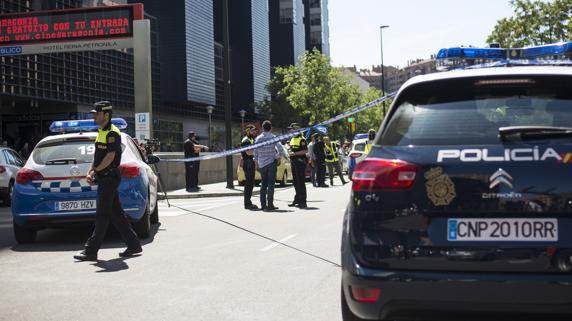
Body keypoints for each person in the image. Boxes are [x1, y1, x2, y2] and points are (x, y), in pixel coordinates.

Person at [74, 101, 142, 261]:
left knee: (102, 215)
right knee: (117, 215)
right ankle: (133, 245)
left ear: (106, 115)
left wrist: (96, 171)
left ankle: (90, 251)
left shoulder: (112, 132)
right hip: (105, 177)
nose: (94, 116)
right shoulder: (102, 131)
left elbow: (110, 156)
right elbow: (97, 156)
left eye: (96, 113)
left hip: (109, 178)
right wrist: (91, 170)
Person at [254, 121, 288, 211]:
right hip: (271, 163)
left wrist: (256, 164)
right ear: (271, 128)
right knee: (271, 184)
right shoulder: (273, 138)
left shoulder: (258, 139)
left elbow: (255, 153)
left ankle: (263, 205)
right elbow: (280, 148)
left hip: (262, 164)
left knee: (263, 184)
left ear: (262, 128)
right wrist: (278, 157)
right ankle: (270, 205)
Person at [288, 123, 309, 208]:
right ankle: (297, 199)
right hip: (293, 162)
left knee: (301, 182)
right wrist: (289, 151)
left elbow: (305, 151)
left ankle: (303, 201)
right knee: (296, 182)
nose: (290, 131)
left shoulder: (302, 139)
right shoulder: (292, 139)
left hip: (300, 162)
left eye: (292, 129)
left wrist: (295, 153)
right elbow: (291, 148)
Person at [241, 125, 258, 210]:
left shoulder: (251, 140)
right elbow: (249, 152)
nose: (254, 132)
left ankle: (248, 202)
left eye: (255, 130)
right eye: (252, 130)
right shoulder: (246, 140)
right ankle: (247, 203)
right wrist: (259, 151)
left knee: (250, 183)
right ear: (248, 131)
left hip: (250, 163)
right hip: (248, 163)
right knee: (249, 184)